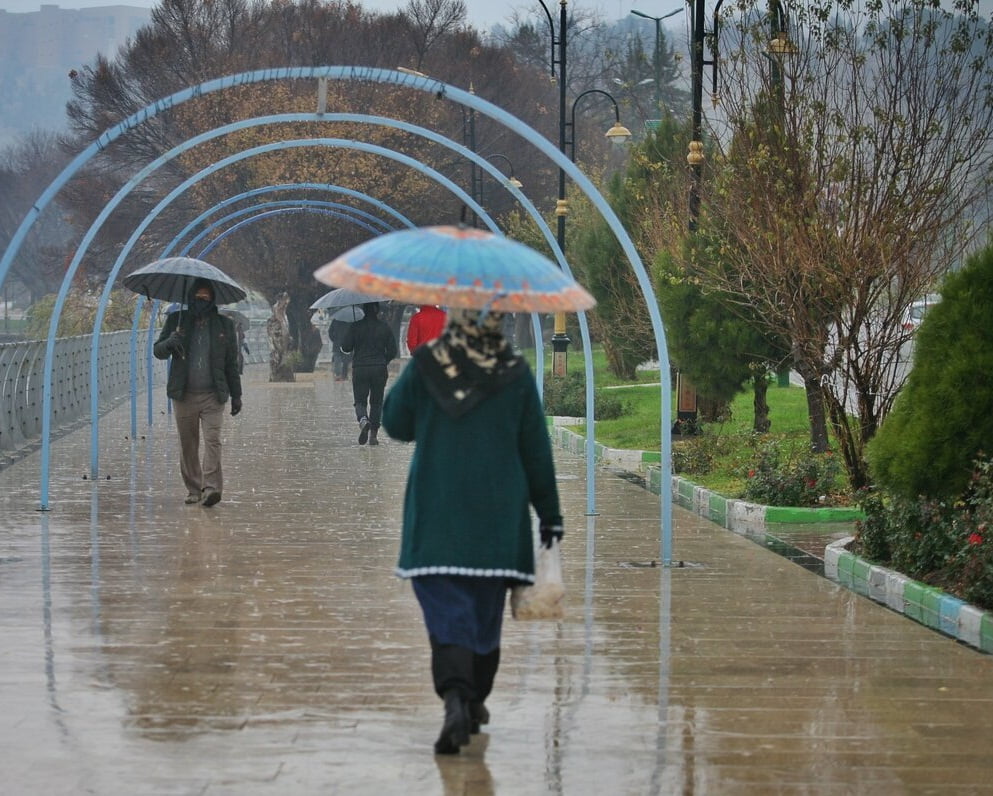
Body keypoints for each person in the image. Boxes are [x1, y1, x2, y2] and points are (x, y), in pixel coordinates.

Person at [381, 307, 563, 755]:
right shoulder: (513, 372)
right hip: (498, 523)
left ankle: (456, 698)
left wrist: (412, 381)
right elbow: (535, 450)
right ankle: (475, 698)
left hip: (437, 520)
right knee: (483, 620)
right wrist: (550, 516)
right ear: (497, 321)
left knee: (448, 616)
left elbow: (396, 424)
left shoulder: (428, 362)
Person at [153, 279, 243, 507]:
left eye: (206, 298)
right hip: (184, 395)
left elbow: (232, 362)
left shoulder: (224, 325)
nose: (201, 302)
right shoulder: (177, 321)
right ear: (190, 298)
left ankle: (211, 488)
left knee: (213, 440)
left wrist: (237, 395)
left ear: (212, 300)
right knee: (188, 444)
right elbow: (158, 351)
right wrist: (170, 342)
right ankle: (194, 488)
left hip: (213, 394)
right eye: (197, 298)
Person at [339, 301, 398, 446]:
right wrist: (384, 361)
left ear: (364, 310)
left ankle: (363, 420)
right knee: (376, 402)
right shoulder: (384, 327)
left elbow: (346, 347)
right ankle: (373, 435)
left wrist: (350, 336)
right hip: (379, 368)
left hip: (360, 368)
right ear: (377, 310)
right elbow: (393, 351)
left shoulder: (355, 326)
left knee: (360, 401)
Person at [328, 315, 353, 382]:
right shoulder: (350, 320)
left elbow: (330, 332)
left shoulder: (336, 320)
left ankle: (338, 375)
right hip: (347, 343)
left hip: (337, 343)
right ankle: (344, 376)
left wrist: (334, 339)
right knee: (346, 360)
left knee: (337, 360)